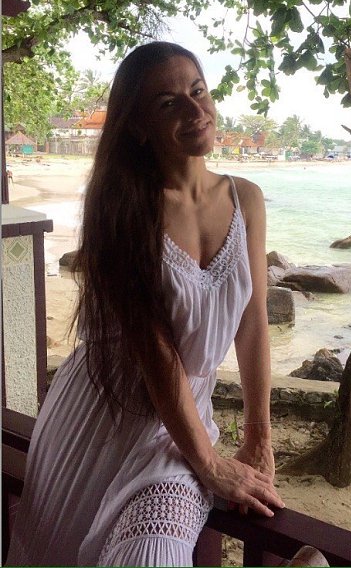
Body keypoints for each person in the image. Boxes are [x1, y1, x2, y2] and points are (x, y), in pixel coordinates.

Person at [7, 41, 284, 567]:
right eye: (168, 103)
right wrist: (211, 464)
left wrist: (258, 436)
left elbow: (252, 323)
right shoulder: (124, 210)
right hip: (102, 419)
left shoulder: (245, 198)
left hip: (179, 424)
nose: (195, 110)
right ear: (137, 126)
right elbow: (155, 351)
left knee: (154, 550)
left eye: (198, 91)